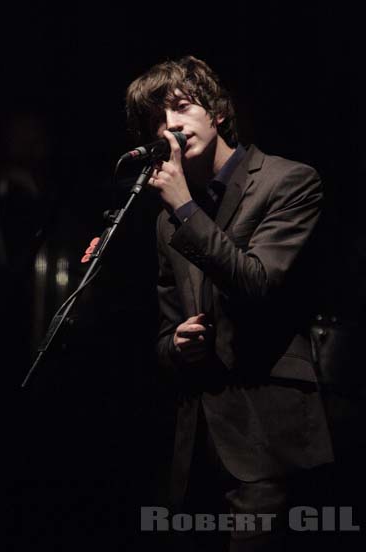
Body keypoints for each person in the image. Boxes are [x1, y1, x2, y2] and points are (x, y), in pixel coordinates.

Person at [126, 56, 334, 551]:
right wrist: (176, 346)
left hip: (265, 440)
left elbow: (259, 281)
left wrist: (183, 206)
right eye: (157, 119)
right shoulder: (166, 221)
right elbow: (163, 334)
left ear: (216, 112)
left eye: (180, 107)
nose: (169, 126)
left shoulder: (288, 181)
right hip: (194, 446)